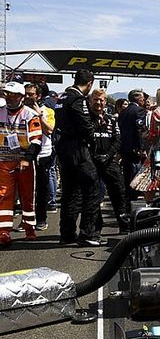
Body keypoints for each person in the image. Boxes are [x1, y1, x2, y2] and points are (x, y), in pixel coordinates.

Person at [55, 69, 102, 246]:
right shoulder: (78, 99)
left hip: (64, 148)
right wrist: (93, 145)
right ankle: (88, 234)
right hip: (77, 149)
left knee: (70, 193)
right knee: (92, 189)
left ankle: (66, 235)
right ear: (89, 84)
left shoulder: (62, 98)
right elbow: (85, 126)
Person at [0, 82, 42, 245]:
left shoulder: (30, 115)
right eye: (7, 94)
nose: (9, 98)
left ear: (21, 97)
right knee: (3, 196)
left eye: (13, 94)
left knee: (27, 196)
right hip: (4, 161)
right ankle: (3, 232)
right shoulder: (0, 112)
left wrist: (27, 159)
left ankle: (29, 228)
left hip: (24, 162)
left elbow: (37, 140)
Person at [88, 89, 130, 235]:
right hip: (91, 161)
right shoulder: (85, 119)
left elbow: (118, 140)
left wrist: (108, 155)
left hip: (109, 161)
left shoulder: (112, 119)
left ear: (105, 101)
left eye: (101, 100)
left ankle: (124, 226)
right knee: (93, 196)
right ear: (90, 101)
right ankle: (95, 228)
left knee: (119, 192)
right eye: (95, 99)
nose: (98, 102)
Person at [23, 82, 55, 232]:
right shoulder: (19, 110)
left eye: (31, 94)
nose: (28, 96)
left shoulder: (47, 110)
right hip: (23, 154)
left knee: (41, 189)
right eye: (26, 94)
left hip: (43, 154)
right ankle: (26, 220)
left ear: (38, 96)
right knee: (24, 189)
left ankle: (41, 219)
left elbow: (49, 130)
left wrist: (39, 115)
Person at [118, 89, 147, 198]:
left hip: (124, 148)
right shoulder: (139, 111)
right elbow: (140, 130)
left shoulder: (123, 112)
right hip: (135, 148)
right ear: (138, 98)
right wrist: (142, 148)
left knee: (127, 175)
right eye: (142, 98)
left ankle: (128, 198)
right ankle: (133, 198)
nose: (144, 100)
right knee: (135, 175)